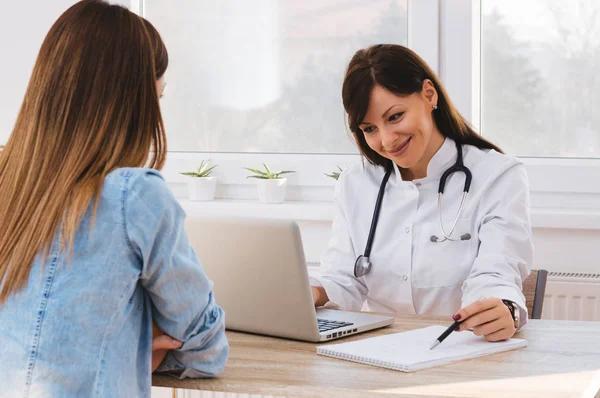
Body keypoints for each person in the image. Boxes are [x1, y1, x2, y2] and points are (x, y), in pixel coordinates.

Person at [0, 1, 228, 397]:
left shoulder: (9, 181)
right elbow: (204, 347)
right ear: (132, 104)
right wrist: (134, 348)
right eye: (155, 99)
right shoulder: (135, 196)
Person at [311, 44, 533, 341]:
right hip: (375, 350)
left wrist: (503, 308)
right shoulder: (355, 184)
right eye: (369, 128)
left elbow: (496, 272)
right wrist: (313, 291)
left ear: (429, 95)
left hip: (459, 346)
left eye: (395, 117)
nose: (387, 141)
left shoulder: (497, 175)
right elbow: (343, 277)